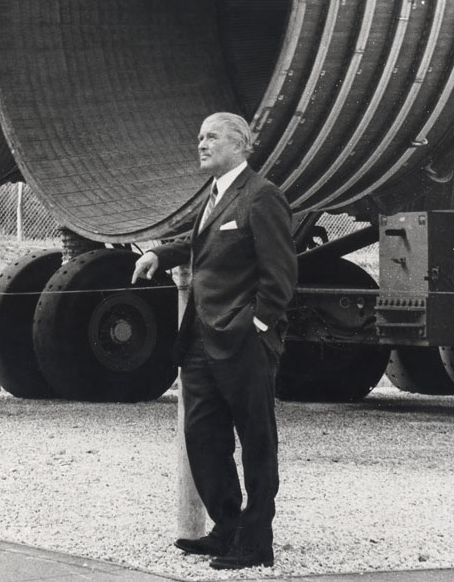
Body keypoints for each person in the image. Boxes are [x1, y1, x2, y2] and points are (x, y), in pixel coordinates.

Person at [132, 112, 297, 570]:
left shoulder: (262, 196)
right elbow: (202, 243)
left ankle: (256, 540)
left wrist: (257, 327)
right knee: (203, 435)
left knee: (256, 440)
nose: (201, 145)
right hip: (202, 340)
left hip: (243, 341)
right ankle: (226, 529)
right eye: (199, 137)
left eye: (211, 137)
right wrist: (158, 252)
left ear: (240, 144)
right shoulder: (217, 194)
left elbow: (280, 277)